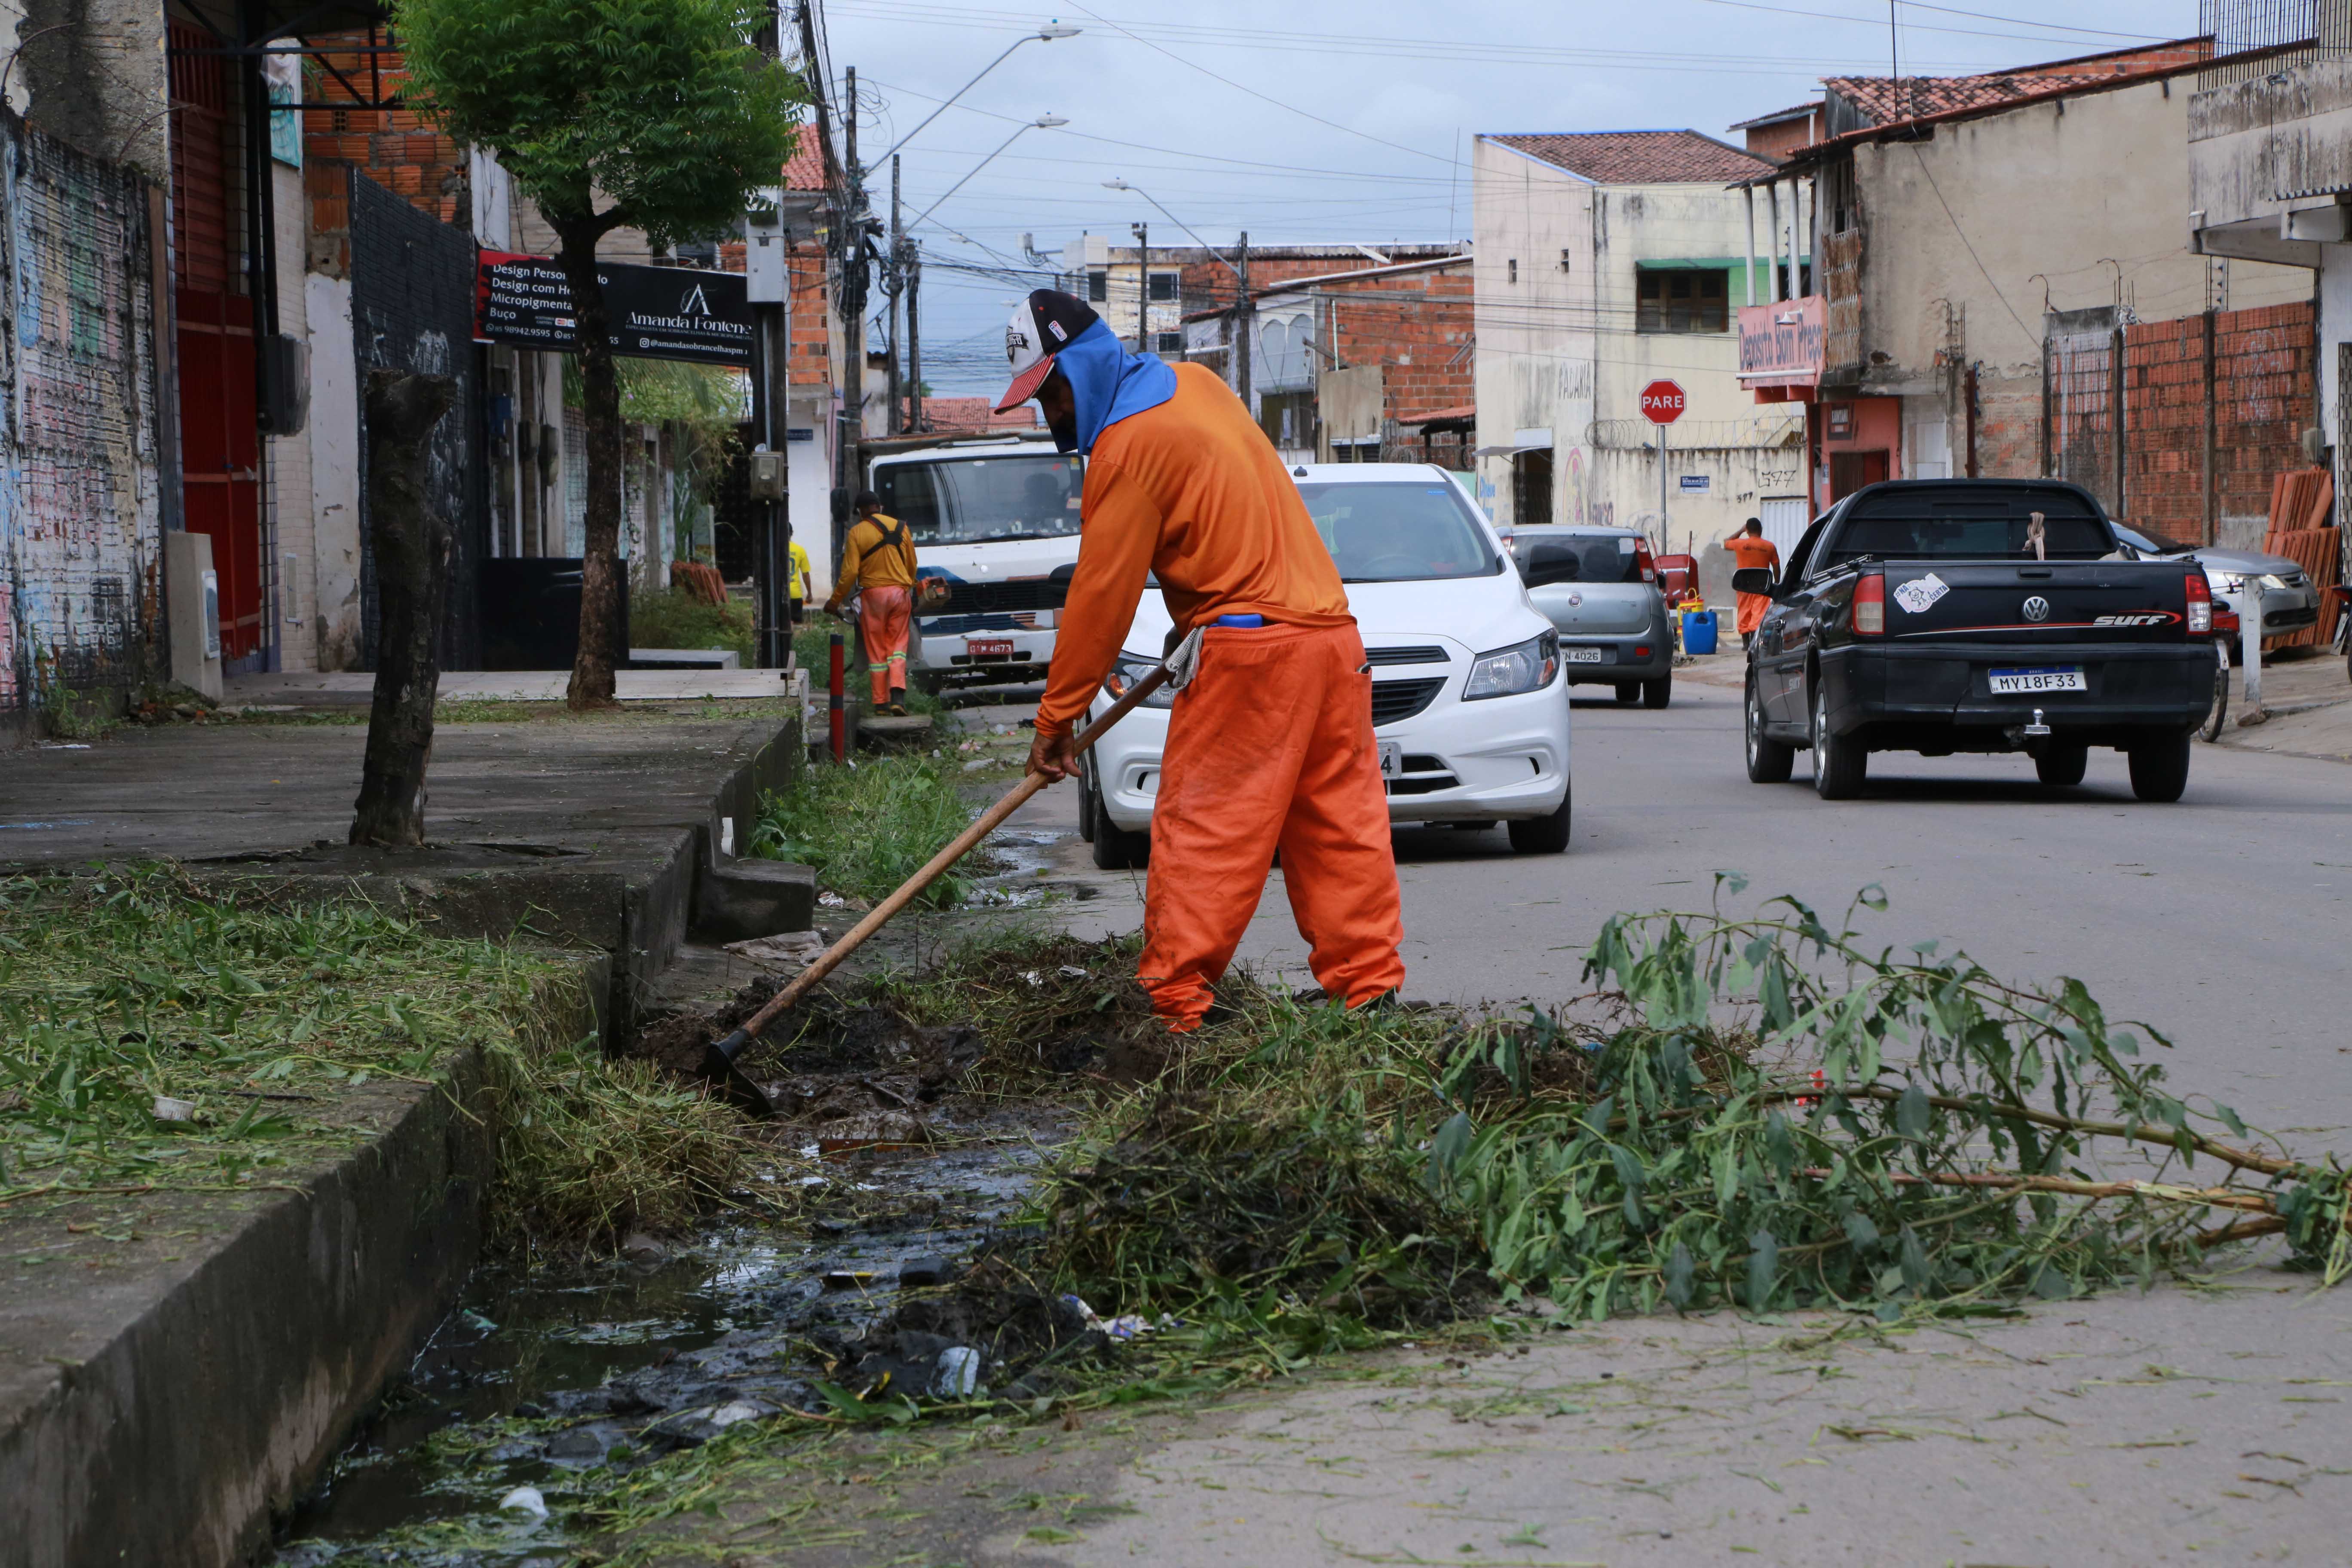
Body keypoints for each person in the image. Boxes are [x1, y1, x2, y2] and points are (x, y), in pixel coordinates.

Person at [998, 288, 1405, 1033]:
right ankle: (1367, 989)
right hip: (1329, 635)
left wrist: (1056, 721)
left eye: (1052, 393)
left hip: (1251, 657)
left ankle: (1175, 1006)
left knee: (1207, 826)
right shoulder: (1198, 386)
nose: (1051, 414)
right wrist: (1194, 622)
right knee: (1337, 821)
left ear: (1082, 367)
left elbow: (1100, 598)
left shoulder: (1125, 449)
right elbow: (1222, 518)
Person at [825, 490, 917, 715]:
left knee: (877, 651)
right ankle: (898, 698)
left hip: (873, 597)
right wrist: (907, 586)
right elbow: (912, 565)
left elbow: (850, 573)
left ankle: (881, 704)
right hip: (899, 595)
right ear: (880, 507)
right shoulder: (901, 527)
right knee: (898, 647)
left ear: (860, 511)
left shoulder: (857, 533)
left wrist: (834, 602)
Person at [1725, 518, 1782, 650]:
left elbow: (1726, 543)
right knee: (1759, 613)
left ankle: (1746, 644)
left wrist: (1741, 530)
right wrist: (1777, 582)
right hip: (1762, 586)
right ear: (1761, 530)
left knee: (1744, 612)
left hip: (1743, 585)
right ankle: (1754, 643)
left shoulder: (1740, 544)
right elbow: (1776, 566)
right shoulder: (1769, 546)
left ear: (1748, 530)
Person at [787, 534, 812, 628]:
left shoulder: (775, 550)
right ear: (792, 533)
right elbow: (805, 574)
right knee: (796, 626)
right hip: (795, 594)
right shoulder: (800, 550)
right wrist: (809, 594)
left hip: (778, 593)